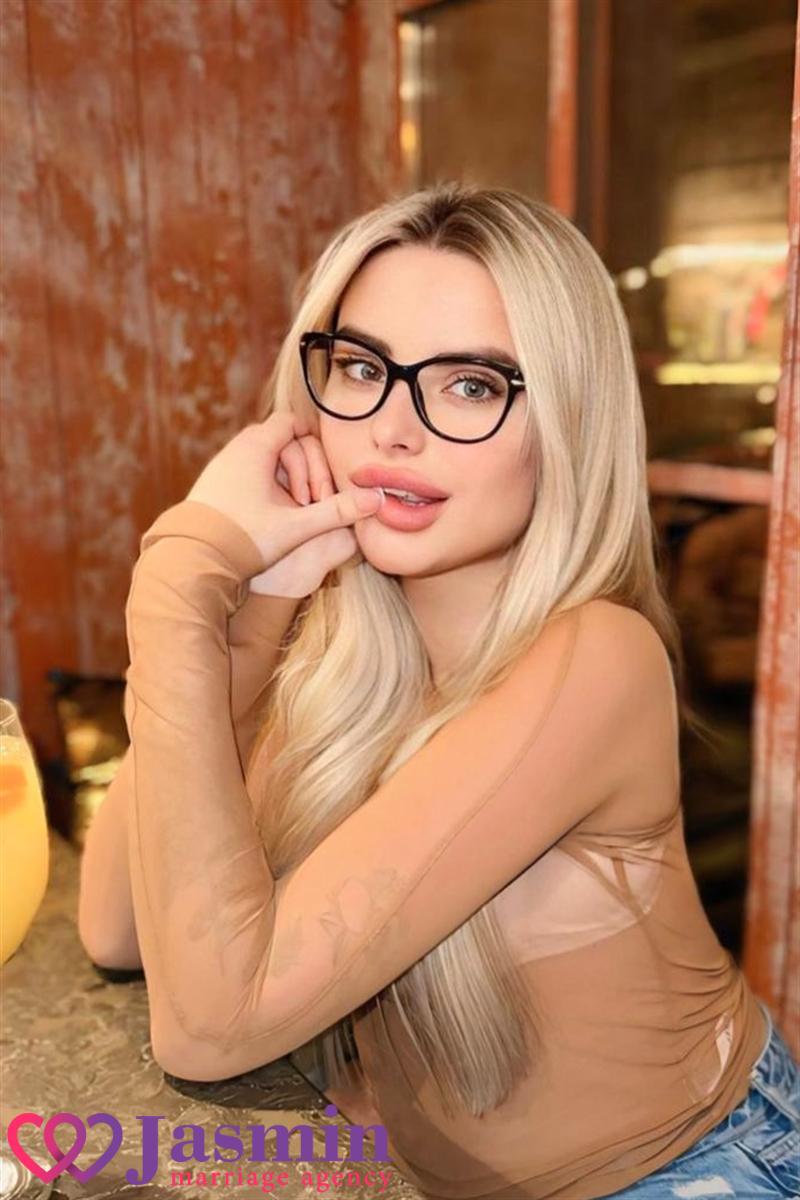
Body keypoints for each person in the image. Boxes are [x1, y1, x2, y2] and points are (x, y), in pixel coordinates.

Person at [78, 182, 800, 1199]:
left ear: (567, 421)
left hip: (694, 1172)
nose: (392, 430)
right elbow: (118, 930)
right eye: (363, 368)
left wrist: (177, 584)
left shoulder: (597, 660)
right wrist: (251, 613)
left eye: (469, 384)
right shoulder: (332, 655)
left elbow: (211, 1029)